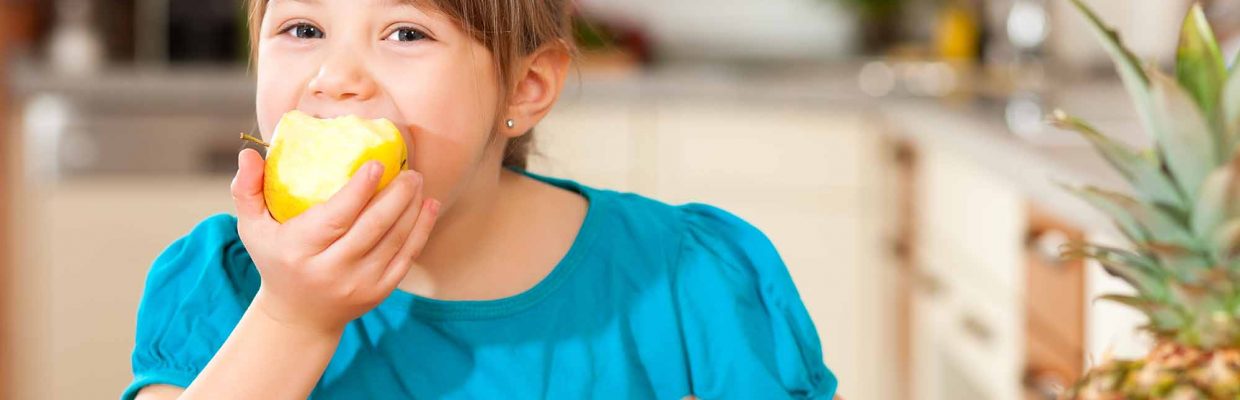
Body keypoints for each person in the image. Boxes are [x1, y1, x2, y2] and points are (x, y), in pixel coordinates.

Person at [123, 0, 838, 398]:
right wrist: (295, 316)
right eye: (302, 29)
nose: (334, 77)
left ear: (526, 89)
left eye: (406, 32)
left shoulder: (691, 284)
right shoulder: (225, 288)